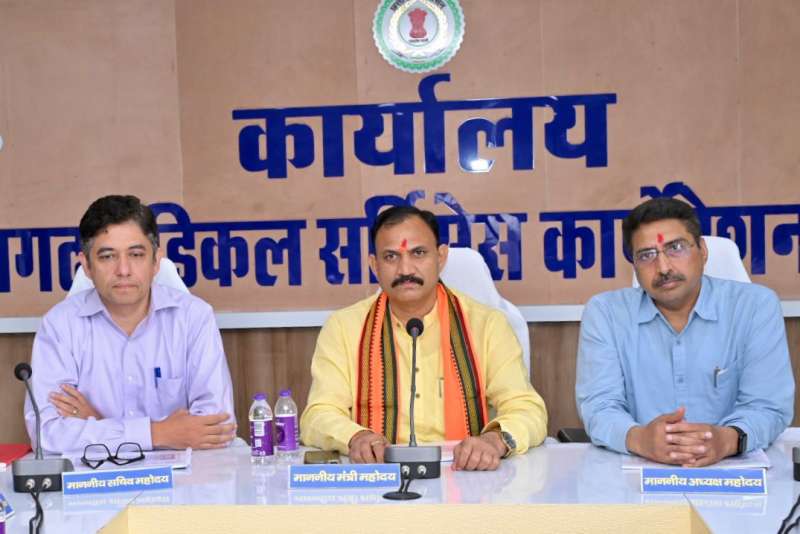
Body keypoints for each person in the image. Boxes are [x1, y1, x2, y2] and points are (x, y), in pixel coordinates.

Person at [301, 206, 547, 471]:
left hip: (469, 475)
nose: (405, 269)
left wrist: (493, 441)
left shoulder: (487, 325)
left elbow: (527, 408)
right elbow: (318, 414)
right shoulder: (344, 328)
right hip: (378, 475)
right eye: (391, 256)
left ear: (441, 257)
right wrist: (356, 437)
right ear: (374, 265)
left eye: (418, 253)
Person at [576, 197, 794, 466]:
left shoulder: (754, 307)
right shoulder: (606, 314)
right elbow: (599, 407)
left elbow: (768, 405)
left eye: (675, 248)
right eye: (646, 255)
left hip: (733, 470)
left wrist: (726, 440)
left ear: (703, 251)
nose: (663, 268)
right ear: (634, 264)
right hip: (638, 471)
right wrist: (640, 439)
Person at [25, 195, 236, 454]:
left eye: (136, 254)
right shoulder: (60, 326)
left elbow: (217, 428)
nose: (123, 270)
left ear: (156, 261)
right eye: (107, 256)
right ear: (86, 265)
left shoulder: (194, 318)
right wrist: (159, 433)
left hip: (186, 476)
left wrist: (98, 424)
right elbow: (46, 434)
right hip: (94, 478)